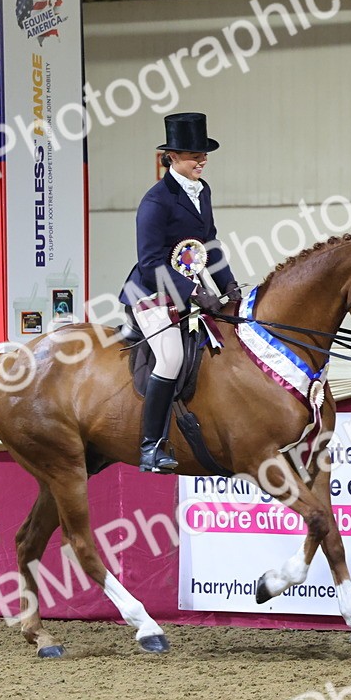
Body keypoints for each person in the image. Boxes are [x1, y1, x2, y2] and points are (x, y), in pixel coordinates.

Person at [119, 113, 240, 473]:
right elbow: (150, 263)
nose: (201, 161)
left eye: (203, 155)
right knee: (170, 358)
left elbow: (209, 243)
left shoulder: (202, 191)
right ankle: (151, 447)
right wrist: (193, 292)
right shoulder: (156, 202)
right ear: (172, 156)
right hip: (150, 291)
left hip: (187, 289)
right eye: (193, 156)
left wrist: (228, 283)